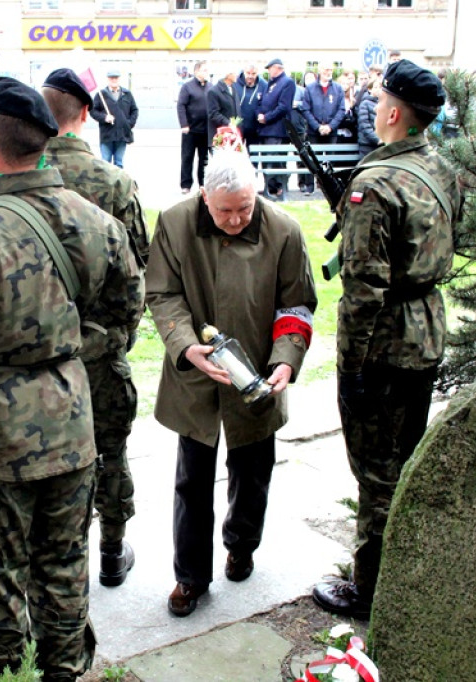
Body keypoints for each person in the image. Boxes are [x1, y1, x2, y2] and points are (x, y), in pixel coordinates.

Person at [0, 76, 142, 681]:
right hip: (73, 428)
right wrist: (71, 352)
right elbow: (128, 309)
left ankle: (4, 674)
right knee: (65, 567)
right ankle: (65, 671)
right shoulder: (97, 220)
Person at [312, 59, 462, 619]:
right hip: (426, 331)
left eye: (379, 101)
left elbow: (363, 289)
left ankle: (370, 590)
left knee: (375, 470)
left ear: (395, 112)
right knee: (403, 459)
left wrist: (350, 368)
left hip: (384, 345)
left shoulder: (372, 185)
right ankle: (399, 569)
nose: (375, 109)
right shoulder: (441, 168)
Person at [147, 147, 316, 618]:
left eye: (245, 207)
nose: (238, 219)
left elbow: (297, 305)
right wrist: (184, 344)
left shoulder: (283, 230)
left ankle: (242, 545)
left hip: (258, 376)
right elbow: (161, 292)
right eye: (225, 210)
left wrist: (285, 360)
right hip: (196, 376)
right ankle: (190, 576)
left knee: (253, 471)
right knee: (192, 480)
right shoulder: (175, 223)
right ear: (204, 197)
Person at [40, 68, 149, 587]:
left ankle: (66, 563)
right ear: (86, 113)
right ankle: (111, 551)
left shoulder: (22, 178)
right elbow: (139, 269)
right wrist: (117, 335)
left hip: (38, 358)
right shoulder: (114, 182)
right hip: (102, 349)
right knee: (111, 453)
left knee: (50, 463)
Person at [299, 63, 346, 194]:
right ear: (320, 70)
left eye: (331, 69)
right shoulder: (310, 88)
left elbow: (341, 110)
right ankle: (310, 186)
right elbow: (306, 109)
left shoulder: (338, 89)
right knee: (313, 159)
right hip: (314, 132)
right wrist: (317, 126)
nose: (328, 72)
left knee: (330, 160)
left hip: (332, 131)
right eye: (326, 69)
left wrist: (330, 126)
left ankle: (329, 188)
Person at [256, 58, 295, 200]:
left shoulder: (287, 83)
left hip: (277, 130)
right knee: (266, 161)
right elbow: (260, 102)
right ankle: (269, 187)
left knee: (276, 160)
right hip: (265, 129)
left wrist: (267, 117)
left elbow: (284, 106)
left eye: (270, 68)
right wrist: (259, 114)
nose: (268, 71)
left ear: (278, 68)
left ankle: (278, 188)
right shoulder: (269, 84)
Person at [90, 69, 139, 168]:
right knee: (105, 163)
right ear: (108, 79)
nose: (114, 80)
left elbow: (134, 110)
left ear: (119, 79)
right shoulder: (101, 94)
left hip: (122, 134)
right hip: (107, 134)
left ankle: (118, 183)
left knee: (119, 163)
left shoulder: (127, 94)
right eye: (111, 78)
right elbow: (93, 111)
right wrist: (104, 117)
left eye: (116, 78)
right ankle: (106, 183)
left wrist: (128, 124)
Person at [177, 61, 211, 194]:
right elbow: (181, 106)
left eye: (207, 70)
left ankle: (203, 184)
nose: (206, 73)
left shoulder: (210, 87)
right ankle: (186, 185)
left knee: (204, 159)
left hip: (206, 130)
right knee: (187, 157)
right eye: (204, 70)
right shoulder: (187, 87)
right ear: (196, 71)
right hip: (190, 130)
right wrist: (184, 124)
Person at [233, 63, 266, 149]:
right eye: (248, 73)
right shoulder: (234, 84)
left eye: (253, 74)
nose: (250, 76)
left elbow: (265, 104)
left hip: (255, 128)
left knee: (253, 157)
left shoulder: (263, 85)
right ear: (243, 72)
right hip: (237, 127)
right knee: (236, 155)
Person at [207, 68, 238, 149]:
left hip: (232, 135)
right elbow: (213, 113)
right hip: (219, 136)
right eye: (234, 73)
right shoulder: (213, 91)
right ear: (228, 75)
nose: (237, 75)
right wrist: (228, 123)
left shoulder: (234, 89)